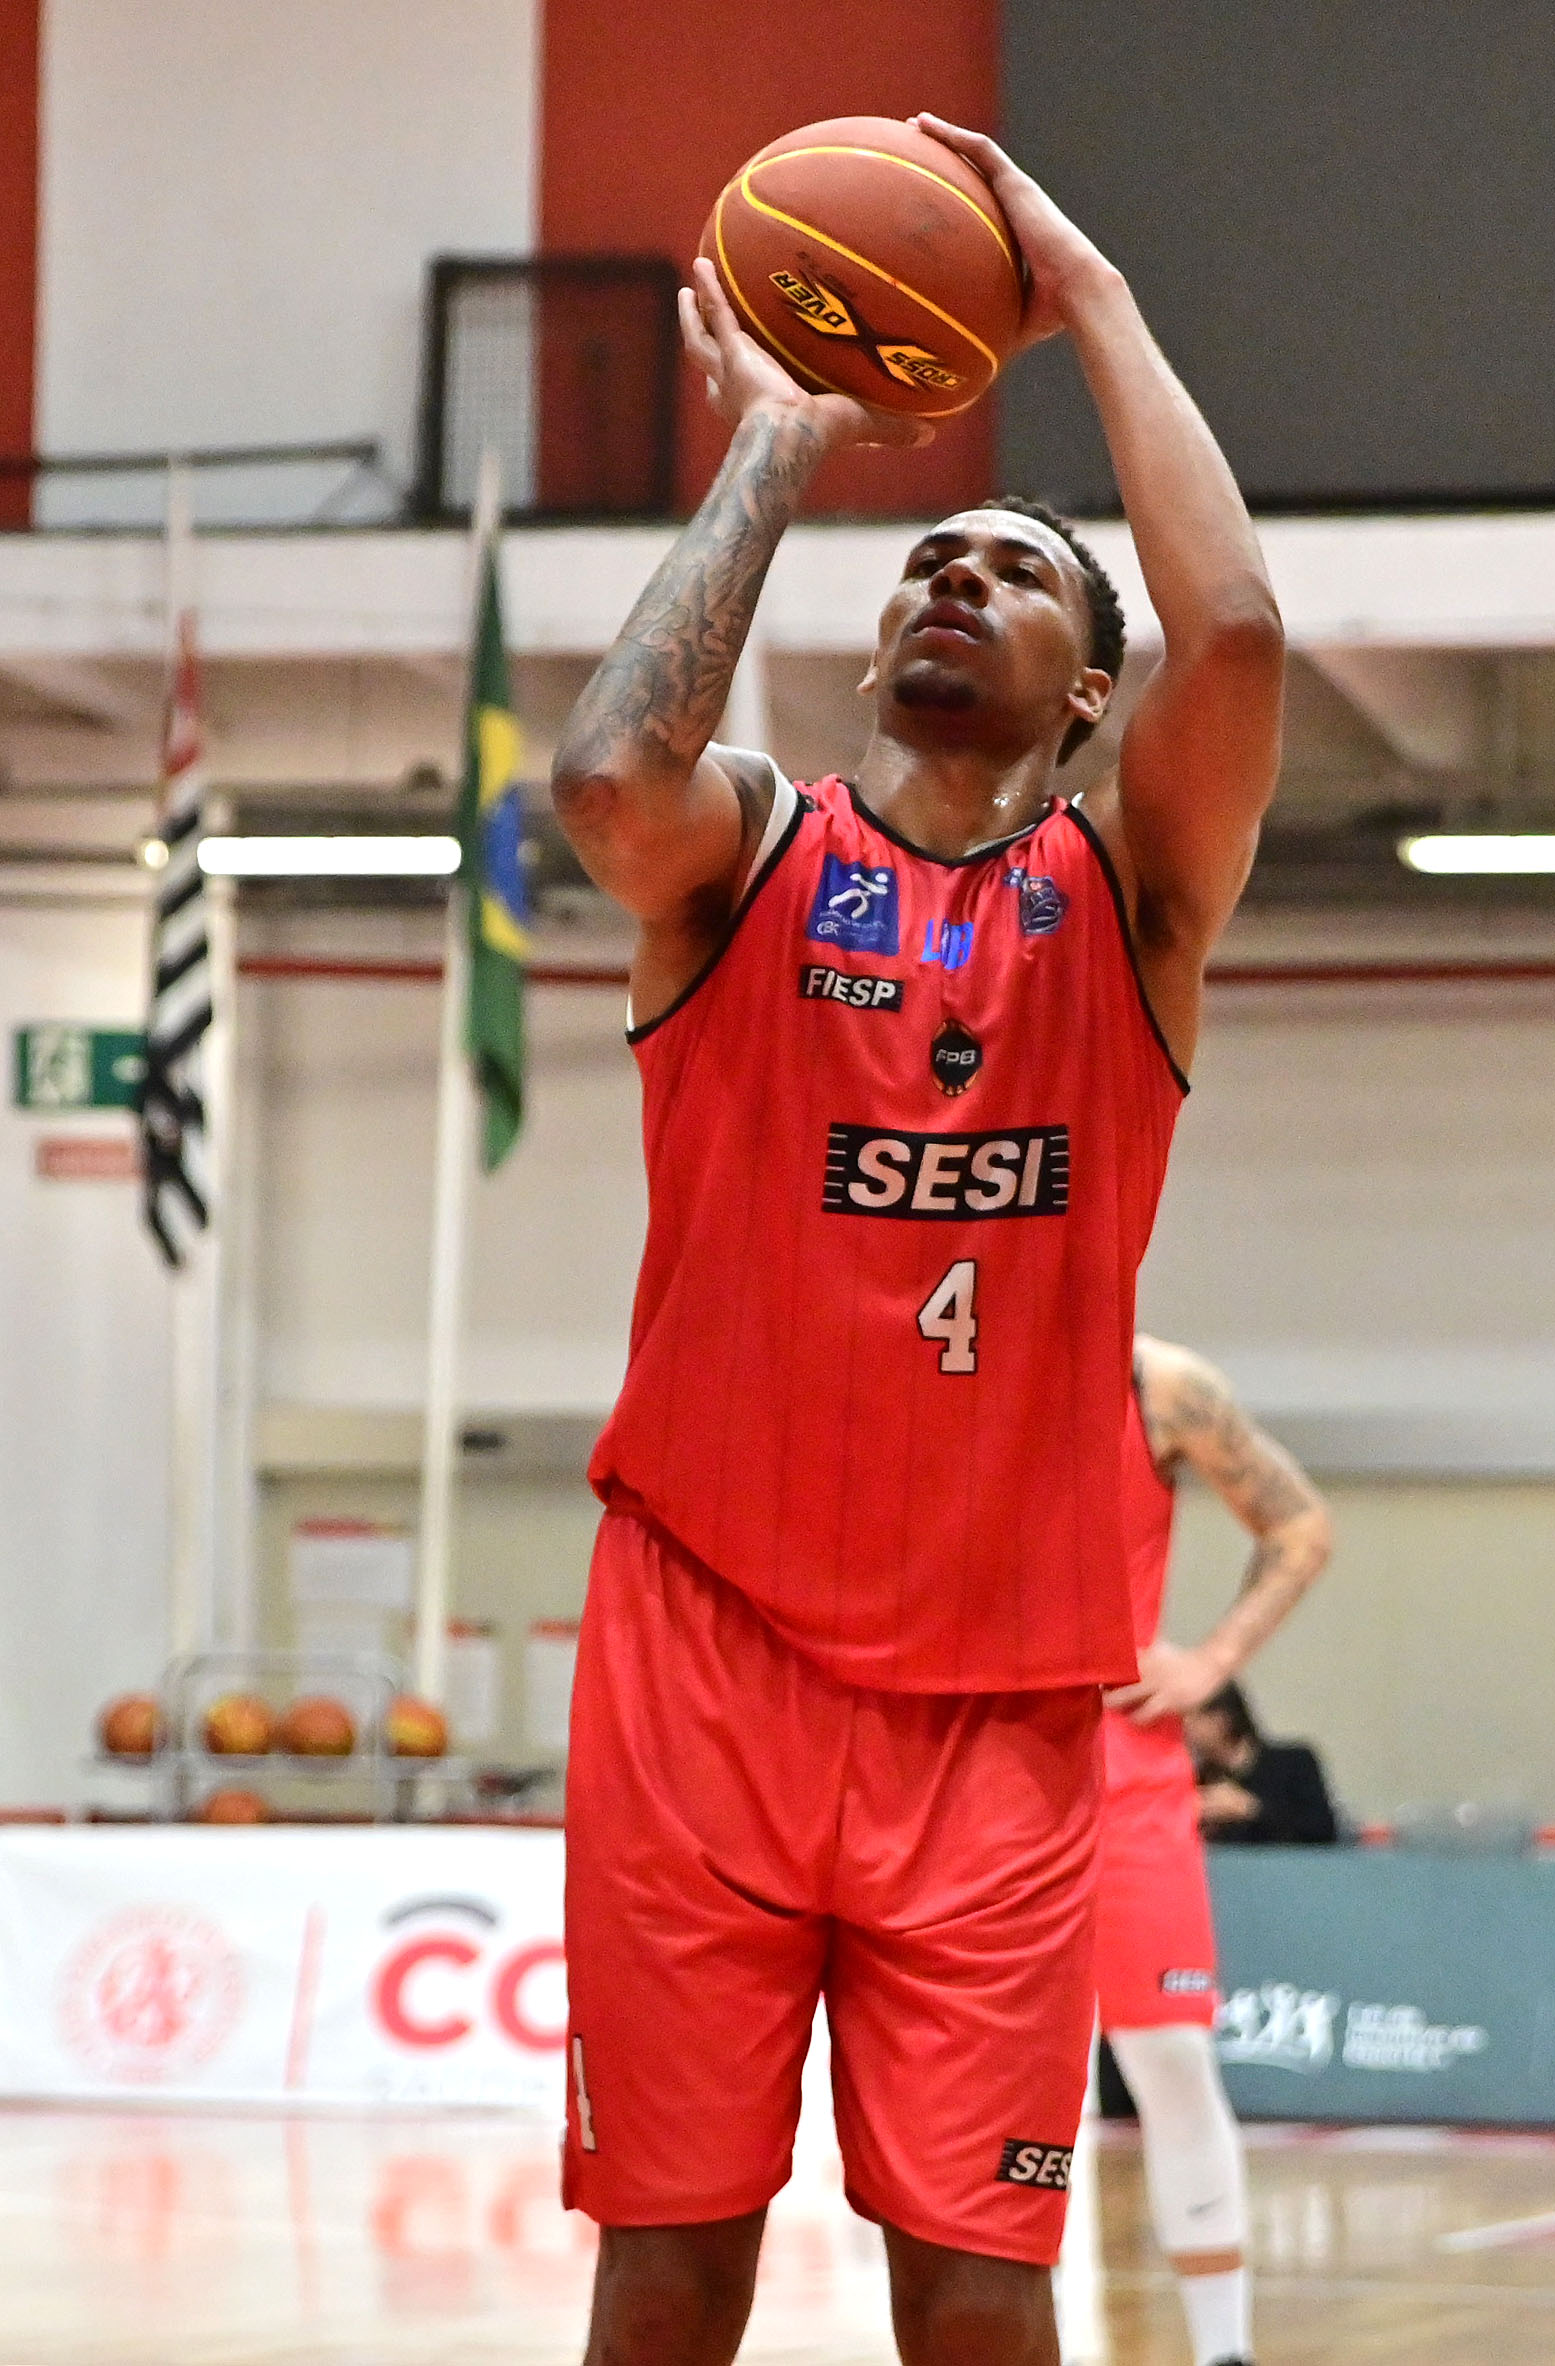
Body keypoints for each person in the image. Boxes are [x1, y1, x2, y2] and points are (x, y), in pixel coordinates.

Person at [549, 111, 1285, 2366]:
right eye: (926, 565)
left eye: (1012, 571)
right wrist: (779, 445)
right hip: (701, 1653)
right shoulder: (744, 857)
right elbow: (601, 780)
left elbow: (1241, 631)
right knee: (670, 2261)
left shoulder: (1128, 911)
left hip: (998, 1711)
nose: (951, 580)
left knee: (978, 2287)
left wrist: (1090, 298)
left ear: (1087, 693)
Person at [1089, 1336, 1332, 2366]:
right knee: (981, 2081)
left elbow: (1300, 1522)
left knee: (1172, 2056)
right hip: (964, 1756)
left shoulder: (1161, 1383)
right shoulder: (933, 1355)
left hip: (1117, 1761)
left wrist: (1211, 1662)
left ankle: (1222, 2353)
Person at [1186, 1678, 1339, 1845]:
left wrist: (1249, 1809)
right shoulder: (1194, 1779)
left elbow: (1322, 1832)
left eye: (1189, 1717)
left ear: (1221, 1719)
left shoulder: (1295, 1763)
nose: (1184, 1728)